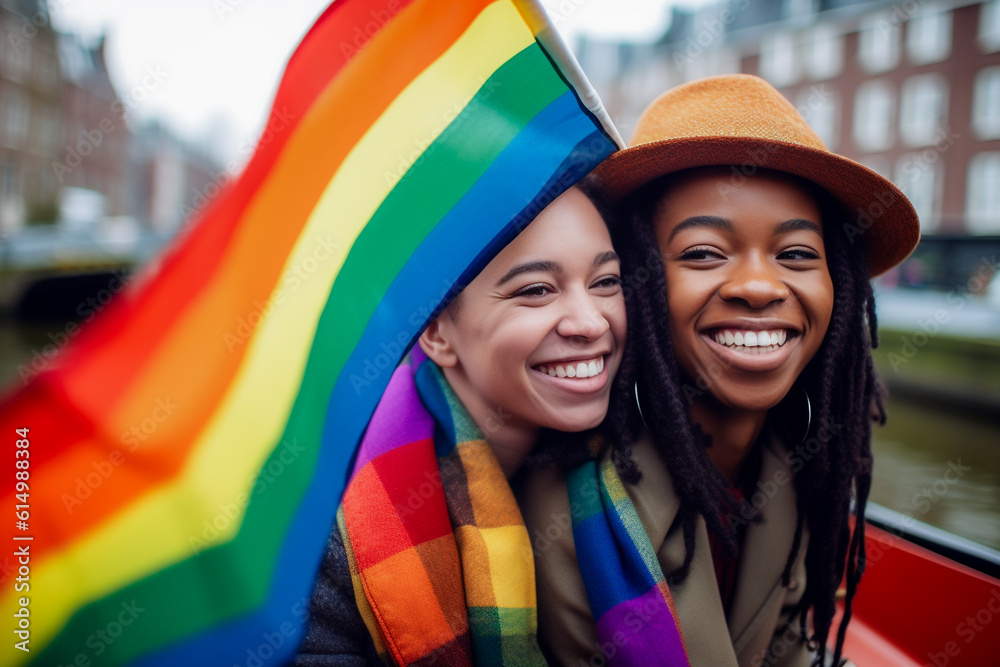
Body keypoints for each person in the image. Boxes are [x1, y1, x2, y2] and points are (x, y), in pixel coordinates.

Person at [520, 74, 921, 667]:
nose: (760, 286)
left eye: (796, 255)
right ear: (639, 279)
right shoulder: (576, 514)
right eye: (704, 252)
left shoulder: (806, 473)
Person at [296, 184, 633, 665]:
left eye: (605, 282)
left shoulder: (643, 475)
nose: (591, 322)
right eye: (536, 290)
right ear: (435, 332)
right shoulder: (331, 532)